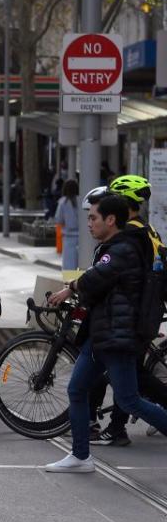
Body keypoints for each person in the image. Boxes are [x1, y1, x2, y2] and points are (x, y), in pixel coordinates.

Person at [45, 195, 167, 473]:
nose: (88, 223)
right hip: (101, 334)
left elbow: (96, 278)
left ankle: (80, 455)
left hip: (117, 336)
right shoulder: (113, 247)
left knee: (129, 400)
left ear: (111, 220)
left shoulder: (122, 248)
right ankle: (80, 456)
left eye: (93, 218)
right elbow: (98, 280)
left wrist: (69, 288)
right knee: (77, 389)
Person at [54, 179, 79, 270]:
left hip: (69, 237)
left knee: (69, 268)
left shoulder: (62, 202)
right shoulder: (82, 200)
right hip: (83, 238)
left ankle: (71, 284)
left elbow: (58, 219)